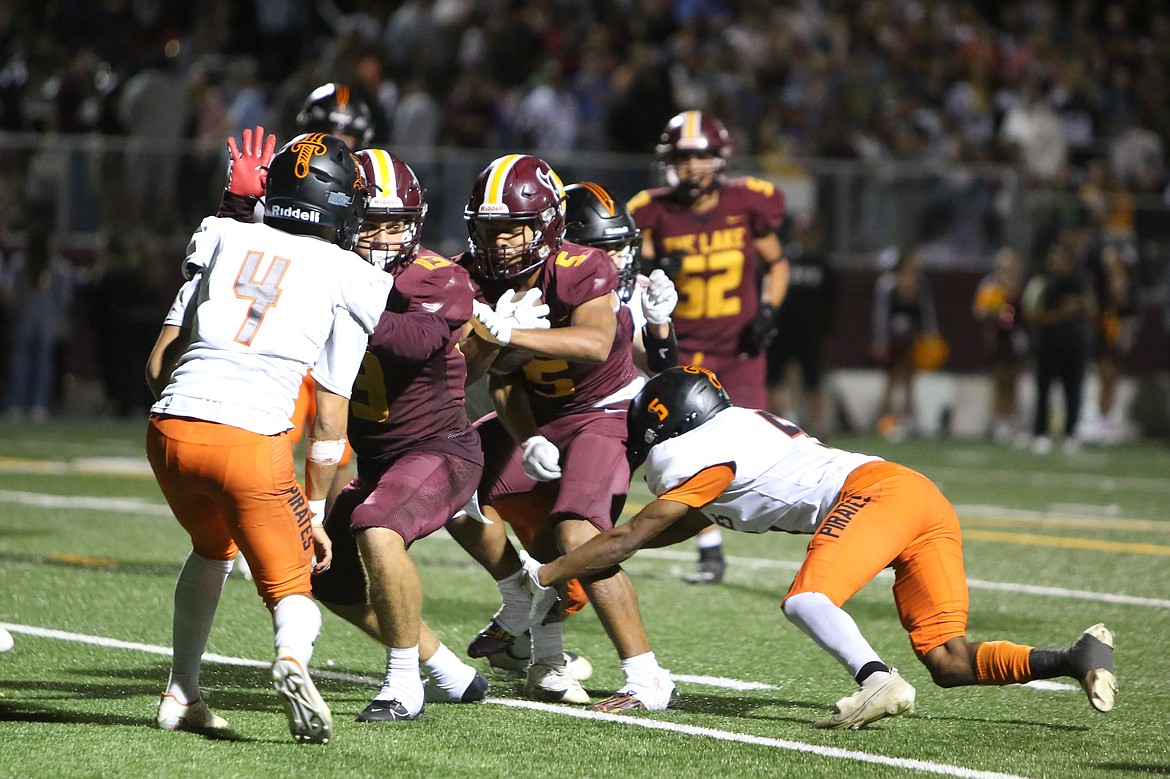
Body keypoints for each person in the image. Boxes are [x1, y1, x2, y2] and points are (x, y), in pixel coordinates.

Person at [527, 366, 1119, 730]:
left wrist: (548, 570)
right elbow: (672, 525)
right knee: (948, 660)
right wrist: (618, 552)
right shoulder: (739, 432)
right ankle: (1076, 657)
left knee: (807, 600)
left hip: (877, 495)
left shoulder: (703, 454)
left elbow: (635, 531)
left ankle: (876, 679)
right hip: (917, 496)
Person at [145, 132, 394, 744]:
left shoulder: (224, 234)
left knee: (212, 550)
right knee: (292, 586)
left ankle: (182, 693)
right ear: (340, 204)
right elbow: (330, 419)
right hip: (249, 442)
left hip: (169, 433)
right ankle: (291, 659)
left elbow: (157, 369)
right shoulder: (353, 275)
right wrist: (312, 511)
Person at [450, 154, 677, 712]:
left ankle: (647, 676)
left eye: (516, 228)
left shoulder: (583, 264)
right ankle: (523, 606)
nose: (502, 242)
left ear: (548, 224)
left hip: (602, 411)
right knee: (444, 482)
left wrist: (512, 332)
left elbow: (594, 343)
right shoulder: (470, 276)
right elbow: (478, 375)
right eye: (492, 229)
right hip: (536, 413)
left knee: (578, 534)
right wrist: (525, 433)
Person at [628, 109, 788, 586]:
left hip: (737, 347)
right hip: (683, 348)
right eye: (682, 157)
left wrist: (769, 311)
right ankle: (709, 545)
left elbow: (776, 263)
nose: (691, 166)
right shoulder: (651, 210)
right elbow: (636, 271)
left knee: (750, 450)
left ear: (718, 158)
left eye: (699, 157)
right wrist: (656, 263)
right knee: (686, 453)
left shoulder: (748, 202)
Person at [1022, 241, 1097, 454]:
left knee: (1073, 391)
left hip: (1073, 346)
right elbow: (1030, 313)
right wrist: (1061, 314)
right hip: (1047, 346)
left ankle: (1071, 432)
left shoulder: (1081, 285)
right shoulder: (1041, 283)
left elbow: (1092, 312)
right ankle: (1040, 433)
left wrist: (1078, 310)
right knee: (1043, 392)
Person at [766, 212, 835, 437]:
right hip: (782, 331)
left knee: (813, 382)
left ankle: (817, 427)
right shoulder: (785, 260)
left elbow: (831, 301)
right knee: (773, 380)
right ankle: (771, 426)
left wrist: (826, 329)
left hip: (810, 333)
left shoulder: (823, 264)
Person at [1, 225, 75, 423]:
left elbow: (10, 296)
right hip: (44, 322)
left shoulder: (21, 264)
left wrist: (17, 311)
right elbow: (65, 298)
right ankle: (37, 405)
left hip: (26, 320)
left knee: (23, 363)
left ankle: (18, 404)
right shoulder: (57, 267)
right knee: (40, 364)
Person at [870, 246, 940, 441]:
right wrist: (880, 340)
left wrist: (930, 336)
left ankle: (908, 421)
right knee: (891, 378)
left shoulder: (921, 284)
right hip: (893, 337)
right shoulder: (888, 284)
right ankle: (887, 421)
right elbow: (881, 314)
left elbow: (927, 312)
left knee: (910, 378)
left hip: (913, 337)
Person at [972, 247, 1028, 444]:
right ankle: (1000, 421)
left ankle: (1012, 419)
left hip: (1016, 335)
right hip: (999, 336)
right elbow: (980, 311)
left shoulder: (1020, 285)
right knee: (1001, 379)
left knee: (1014, 380)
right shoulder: (990, 285)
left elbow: (1026, 312)